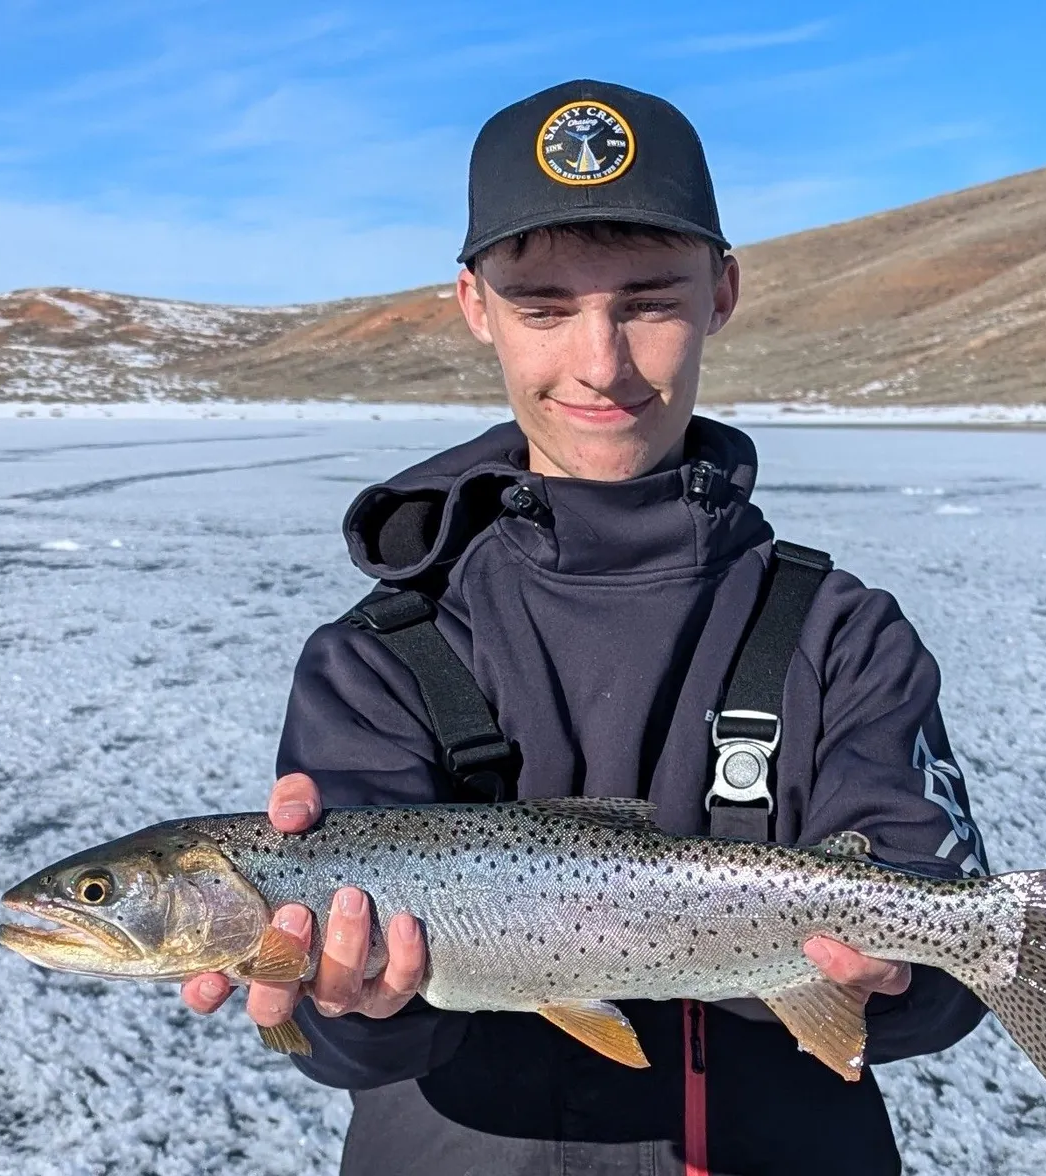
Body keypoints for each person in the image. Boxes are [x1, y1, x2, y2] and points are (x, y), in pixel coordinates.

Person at [182, 79, 989, 1176]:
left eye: (649, 301)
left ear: (724, 292)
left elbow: (943, 969)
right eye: (545, 308)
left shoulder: (842, 635)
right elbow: (339, 1042)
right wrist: (348, 1005)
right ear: (475, 305)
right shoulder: (377, 656)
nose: (601, 364)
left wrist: (893, 977)